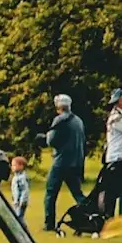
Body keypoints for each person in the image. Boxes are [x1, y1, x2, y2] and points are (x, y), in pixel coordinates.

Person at [42, 93, 88, 231]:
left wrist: (45, 137)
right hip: (76, 162)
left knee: (51, 193)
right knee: (78, 194)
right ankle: (91, 216)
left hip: (61, 162)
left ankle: (49, 224)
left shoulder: (60, 120)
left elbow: (51, 141)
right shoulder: (78, 120)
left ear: (58, 107)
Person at [94, 89, 122, 225]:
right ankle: (110, 222)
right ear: (121, 101)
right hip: (117, 160)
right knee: (113, 194)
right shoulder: (116, 118)